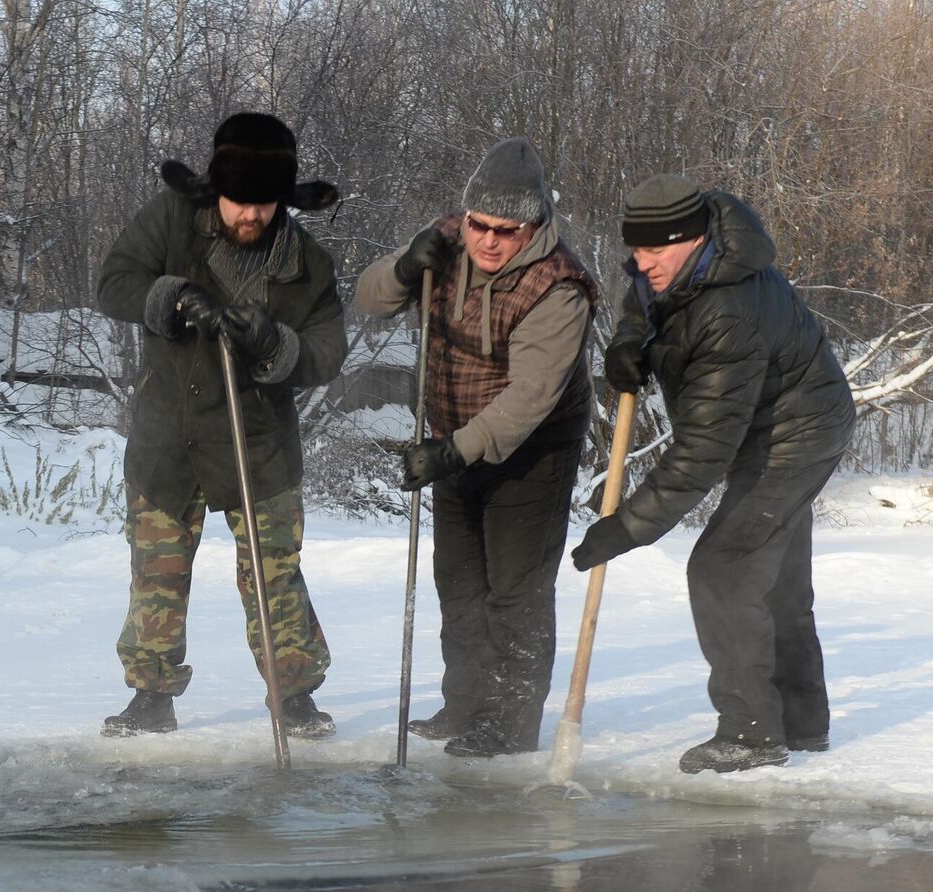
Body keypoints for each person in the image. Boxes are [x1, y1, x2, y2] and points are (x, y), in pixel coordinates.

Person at [571, 175, 857, 774]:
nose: (641, 262)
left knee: (723, 568)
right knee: (770, 576)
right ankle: (801, 725)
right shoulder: (682, 267)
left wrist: (625, 529)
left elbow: (702, 453)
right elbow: (641, 299)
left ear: (693, 237)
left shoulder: (728, 307)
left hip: (794, 434)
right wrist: (630, 344)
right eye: (637, 250)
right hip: (767, 425)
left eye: (654, 250)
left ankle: (752, 734)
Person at [94, 113, 345, 738]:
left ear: (282, 200)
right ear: (217, 191)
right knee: (157, 571)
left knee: (272, 571)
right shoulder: (173, 220)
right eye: (238, 202)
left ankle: (295, 694)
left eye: (264, 204)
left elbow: (326, 351)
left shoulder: (307, 263)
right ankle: (150, 695)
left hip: (259, 444)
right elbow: (114, 282)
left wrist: (275, 343)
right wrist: (172, 297)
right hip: (167, 435)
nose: (250, 216)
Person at [354, 139, 598, 758]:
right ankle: (465, 705)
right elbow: (370, 299)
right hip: (455, 439)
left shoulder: (559, 286)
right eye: (478, 225)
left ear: (534, 225)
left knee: (513, 589)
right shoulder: (444, 244)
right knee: (459, 581)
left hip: (532, 449)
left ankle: (511, 724)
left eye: (505, 231)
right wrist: (407, 268)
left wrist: (451, 453)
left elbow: (529, 396)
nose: (487, 241)